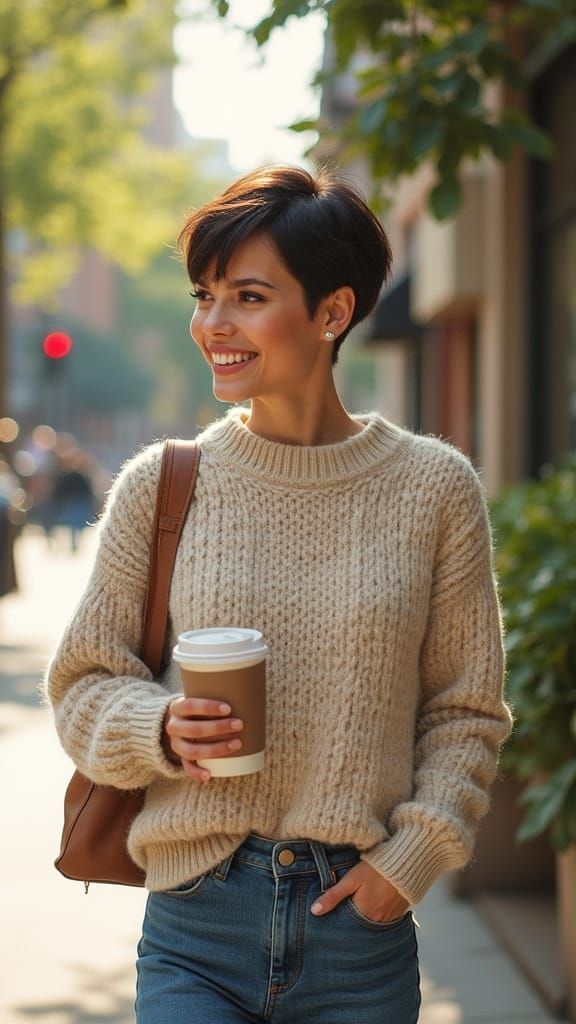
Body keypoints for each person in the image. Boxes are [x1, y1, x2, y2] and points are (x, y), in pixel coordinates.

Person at [46, 165, 512, 1023]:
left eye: (247, 297)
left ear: (333, 312)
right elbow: (83, 683)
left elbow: (466, 710)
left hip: (358, 934)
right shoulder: (165, 485)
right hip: (197, 922)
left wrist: (407, 863)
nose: (211, 325)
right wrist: (155, 726)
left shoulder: (434, 489)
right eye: (204, 294)